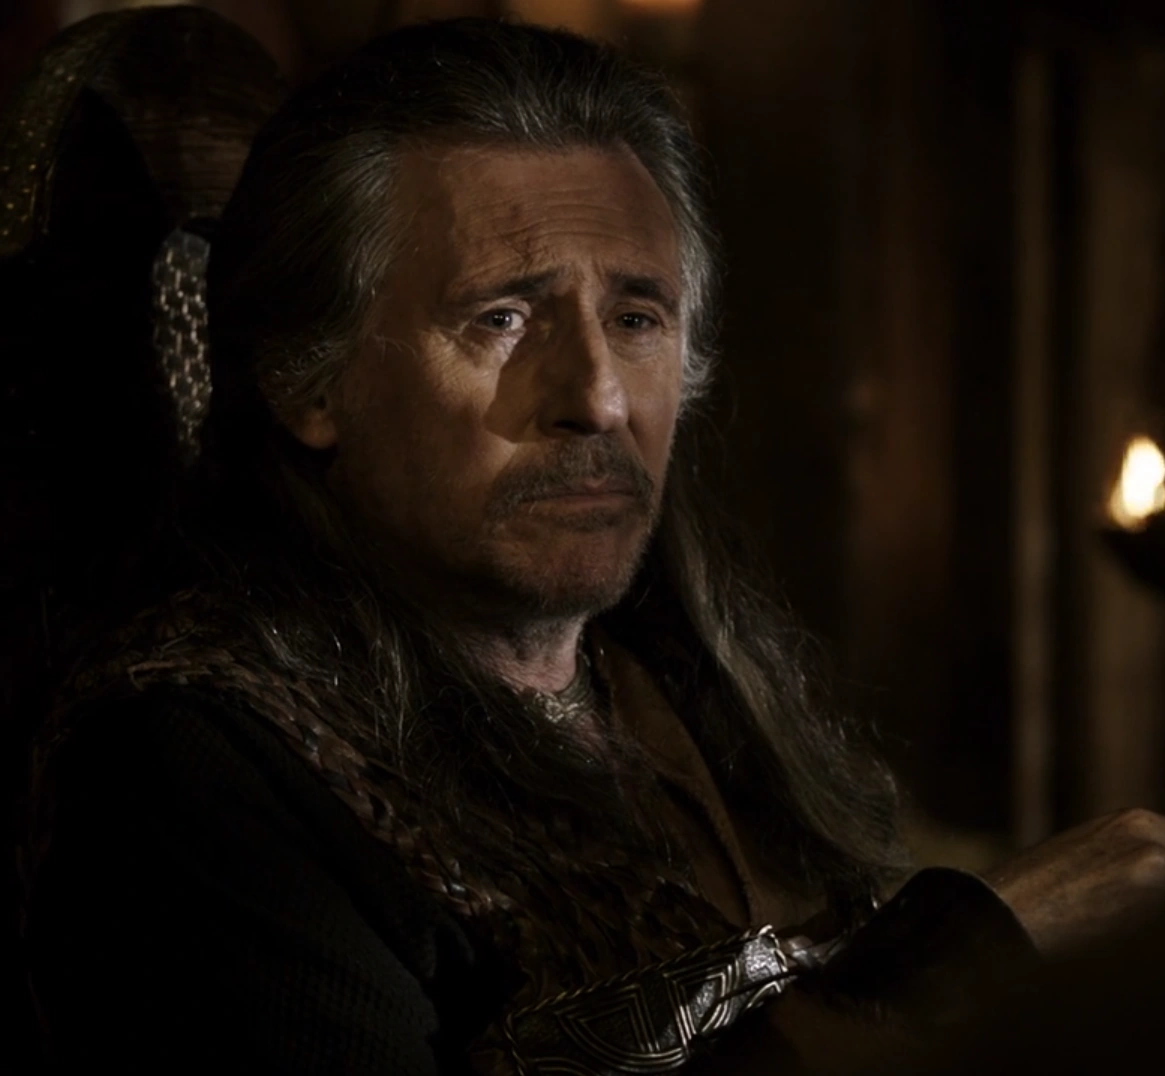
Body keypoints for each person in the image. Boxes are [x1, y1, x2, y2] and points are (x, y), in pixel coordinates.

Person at [19, 16, 1165, 1075]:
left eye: (635, 317)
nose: (598, 398)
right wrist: (964, 951)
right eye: (501, 317)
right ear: (305, 378)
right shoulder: (197, 760)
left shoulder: (675, 663)